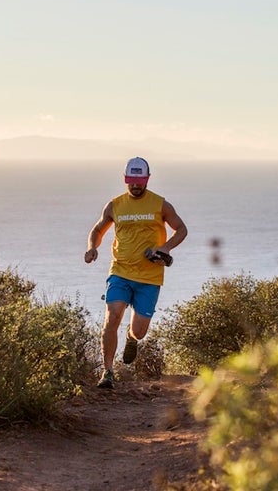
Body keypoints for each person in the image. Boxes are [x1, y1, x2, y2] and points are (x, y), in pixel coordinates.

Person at [84, 157, 188, 389]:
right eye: (131, 181)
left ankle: (132, 338)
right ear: (125, 179)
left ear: (147, 180)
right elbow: (98, 229)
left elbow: (182, 229)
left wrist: (164, 248)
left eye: (140, 181)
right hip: (120, 271)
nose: (135, 185)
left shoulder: (161, 205)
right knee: (112, 317)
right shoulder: (115, 205)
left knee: (140, 331)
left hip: (149, 277)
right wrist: (92, 247)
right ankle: (107, 372)